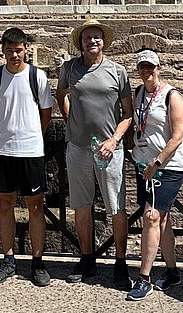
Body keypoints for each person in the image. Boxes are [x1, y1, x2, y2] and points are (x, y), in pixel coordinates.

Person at [56, 18, 134, 288]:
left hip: (109, 149)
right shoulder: (69, 69)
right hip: (78, 147)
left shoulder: (117, 71)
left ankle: (121, 262)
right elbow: (60, 94)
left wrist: (114, 139)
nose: (92, 41)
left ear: (103, 42)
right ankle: (87, 258)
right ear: (80, 42)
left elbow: (128, 114)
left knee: (116, 206)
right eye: (87, 37)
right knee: (81, 205)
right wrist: (70, 120)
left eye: (96, 37)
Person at [0, 27, 54, 286]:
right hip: (3, 150)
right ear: (3, 50)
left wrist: (34, 135)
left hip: (31, 151)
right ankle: (8, 258)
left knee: (35, 206)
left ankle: (37, 261)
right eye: (10, 50)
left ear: (26, 50)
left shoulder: (38, 76)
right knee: (5, 205)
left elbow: (46, 113)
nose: (14, 55)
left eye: (19, 50)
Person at [126, 50, 183, 300]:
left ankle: (144, 278)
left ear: (158, 67)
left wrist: (157, 162)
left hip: (168, 166)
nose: (146, 71)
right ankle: (172, 271)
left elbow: (177, 136)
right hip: (144, 164)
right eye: (142, 66)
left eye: (150, 66)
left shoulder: (172, 96)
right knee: (162, 219)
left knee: (151, 216)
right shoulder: (140, 92)